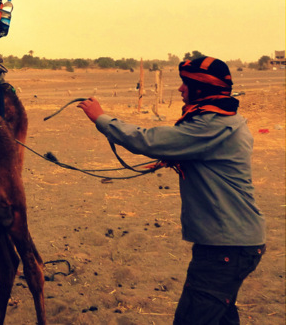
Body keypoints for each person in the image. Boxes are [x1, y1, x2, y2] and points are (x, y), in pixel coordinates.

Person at [78, 56, 266, 324]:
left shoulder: (210, 125)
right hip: (235, 243)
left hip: (225, 248)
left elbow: (147, 140)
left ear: (200, 89)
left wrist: (102, 119)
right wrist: (179, 156)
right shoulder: (226, 122)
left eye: (185, 84)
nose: (180, 89)